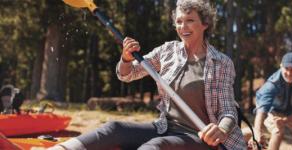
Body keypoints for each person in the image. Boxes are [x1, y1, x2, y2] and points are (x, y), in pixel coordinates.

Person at [49, 0, 246, 149]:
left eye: (190, 21)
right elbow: (128, 74)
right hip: (165, 126)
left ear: (205, 24)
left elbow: (228, 110)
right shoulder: (168, 51)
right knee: (114, 128)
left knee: (154, 146)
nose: (182, 27)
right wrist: (126, 59)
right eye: (179, 21)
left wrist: (221, 130)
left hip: (201, 137)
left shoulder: (221, 63)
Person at [251, 52, 292, 150]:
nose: (289, 73)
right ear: (281, 66)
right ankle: (248, 133)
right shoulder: (273, 83)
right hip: (273, 110)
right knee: (278, 131)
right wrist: (257, 132)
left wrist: (285, 120)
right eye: (286, 68)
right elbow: (262, 109)